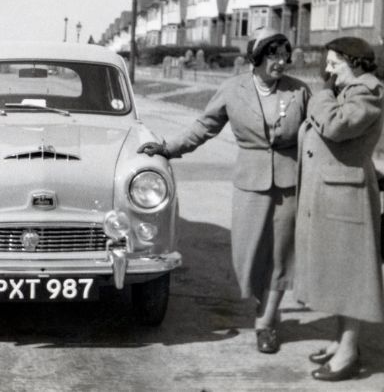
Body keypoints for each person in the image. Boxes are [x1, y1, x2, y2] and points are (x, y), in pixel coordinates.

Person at [139, 28, 310, 353]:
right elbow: (205, 126)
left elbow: (319, 131)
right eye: (273, 55)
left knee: (281, 254)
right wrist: (168, 148)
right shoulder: (233, 89)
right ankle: (263, 302)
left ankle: (266, 321)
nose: (281, 61)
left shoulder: (299, 91)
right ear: (256, 58)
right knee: (248, 255)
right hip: (250, 182)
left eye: (284, 55)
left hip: (289, 184)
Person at [295, 37, 384, 382]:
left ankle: (348, 353)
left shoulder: (367, 92)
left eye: (335, 63)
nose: (328, 70)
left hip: (347, 198)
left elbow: (336, 126)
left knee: (351, 276)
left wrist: (321, 94)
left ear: (356, 63)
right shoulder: (349, 91)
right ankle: (340, 341)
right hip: (336, 193)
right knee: (338, 274)